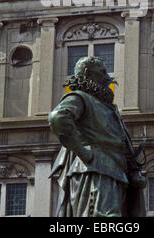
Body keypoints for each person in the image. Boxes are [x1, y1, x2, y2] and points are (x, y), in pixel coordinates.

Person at [48, 56, 146, 217]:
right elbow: (58, 117)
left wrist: (133, 170)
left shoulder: (107, 107)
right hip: (97, 169)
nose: (108, 78)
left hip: (115, 170)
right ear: (88, 74)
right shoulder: (80, 98)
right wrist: (84, 152)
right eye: (102, 73)